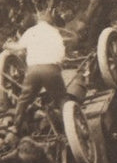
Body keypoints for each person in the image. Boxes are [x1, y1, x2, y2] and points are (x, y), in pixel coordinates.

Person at [5, 10, 72, 143]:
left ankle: (16, 127)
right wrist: (58, 62)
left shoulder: (31, 31)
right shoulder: (54, 32)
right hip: (51, 69)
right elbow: (61, 53)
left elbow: (18, 47)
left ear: (39, 21)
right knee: (61, 98)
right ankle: (70, 126)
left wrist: (7, 45)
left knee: (24, 100)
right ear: (50, 21)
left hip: (33, 71)